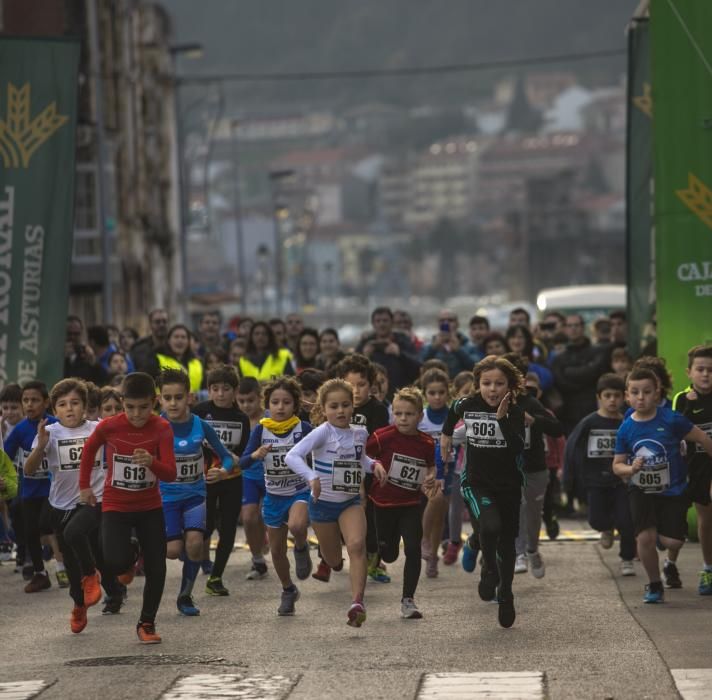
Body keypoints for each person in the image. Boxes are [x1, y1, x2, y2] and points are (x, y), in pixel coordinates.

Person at [79, 372, 177, 644]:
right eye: (130, 407)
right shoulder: (109, 426)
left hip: (149, 507)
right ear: (122, 402)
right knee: (114, 562)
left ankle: (146, 622)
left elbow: (170, 473)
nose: (136, 414)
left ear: (154, 402)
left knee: (157, 568)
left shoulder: (162, 428)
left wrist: (152, 463)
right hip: (116, 505)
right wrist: (84, 486)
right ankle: (132, 552)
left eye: (143, 407)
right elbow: (89, 450)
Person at [285, 378, 388, 627]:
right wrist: (311, 477)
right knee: (333, 560)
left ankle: (357, 603)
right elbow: (292, 456)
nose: (340, 411)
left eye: (345, 405)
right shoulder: (321, 432)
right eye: (334, 406)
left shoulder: (360, 433)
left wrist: (374, 465)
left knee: (356, 545)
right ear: (324, 409)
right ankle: (332, 561)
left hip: (350, 501)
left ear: (353, 407)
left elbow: (360, 458)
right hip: (322, 505)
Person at [24, 379, 117, 632]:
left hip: (92, 499)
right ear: (54, 410)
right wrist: (41, 447)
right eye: (63, 405)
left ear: (85, 406)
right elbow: (29, 470)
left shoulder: (98, 428)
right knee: (70, 563)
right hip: (60, 505)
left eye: (75, 403)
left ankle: (94, 576)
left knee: (78, 535)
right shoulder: (50, 433)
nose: (69, 409)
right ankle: (79, 604)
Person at [613, 367, 712, 603]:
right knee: (644, 539)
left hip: (673, 490)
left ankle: (658, 535)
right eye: (635, 392)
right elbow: (616, 465)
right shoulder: (626, 427)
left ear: (657, 393)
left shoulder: (671, 419)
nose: (641, 397)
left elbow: (702, 437)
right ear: (627, 396)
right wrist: (631, 469)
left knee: (673, 541)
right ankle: (655, 585)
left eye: (646, 392)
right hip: (641, 489)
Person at [441, 356, 526, 629]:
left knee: (506, 542)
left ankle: (506, 594)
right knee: (490, 526)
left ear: (509, 386)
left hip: (509, 486)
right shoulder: (468, 404)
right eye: (486, 383)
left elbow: (516, 448)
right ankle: (489, 568)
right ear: (477, 384)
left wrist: (501, 419)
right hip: (476, 481)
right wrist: (445, 438)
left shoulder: (515, 411)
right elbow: (452, 411)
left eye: (499, 384)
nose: (492, 389)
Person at [156, 369, 234, 615]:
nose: (173, 403)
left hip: (195, 496)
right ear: (160, 399)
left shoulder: (201, 425)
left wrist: (222, 472)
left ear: (189, 397)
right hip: (166, 497)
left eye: (178, 397)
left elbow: (226, 457)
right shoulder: (156, 425)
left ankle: (185, 597)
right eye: (167, 398)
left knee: (195, 545)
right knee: (172, 551)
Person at [239, 378, 313, 616]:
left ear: (295, 405)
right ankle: (288, 590)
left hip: (299, 491)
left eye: (286, 402)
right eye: (275, 402)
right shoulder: (261, 429)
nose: (280, 407)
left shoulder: (304, 429)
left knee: (297, 524)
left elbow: (321, 453)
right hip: (274, 496)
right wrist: (256, 455)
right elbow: (242, 461)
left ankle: (301, 546)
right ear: (267, 404)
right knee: (278, 551)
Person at [367, 386, 436, 619]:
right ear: (392, 413)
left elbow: (430, 466)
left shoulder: (426, 442)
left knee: (414, 548)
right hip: (383, 503)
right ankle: (381, 552)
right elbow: (362, 458)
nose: (403, 418)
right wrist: (374, 466)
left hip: (410, 503)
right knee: (389, 554)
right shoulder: (381, 437)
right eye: (398, 413)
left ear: (420, 416)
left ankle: (408, 600)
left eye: (409, 414)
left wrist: (430, 476)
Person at [565, 373, 634, 575]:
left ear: (624, 397)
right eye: (607, 395)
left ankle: (627, 558)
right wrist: (569, 478)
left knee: (626, 520)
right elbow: (572, 447)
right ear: (599, 397)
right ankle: (606, 528)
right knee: (595, 519)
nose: (612, 400)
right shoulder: (589, 422)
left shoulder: (628, 422)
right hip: (595, 481)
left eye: (617, 396)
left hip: (622, 481)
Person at [193, 365, 250, 596]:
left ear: (234, 391)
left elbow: (245, 452)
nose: (220, 394)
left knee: (227, 531)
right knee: (204, 527)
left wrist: (233, 463)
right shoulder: (199, 411)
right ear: (208, 390)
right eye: (214, 389)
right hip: (204, 479)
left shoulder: (241, 418)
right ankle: (197, 560)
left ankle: (216, 577)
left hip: (231, 479)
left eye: (225, 389)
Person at [334, 354, 390, 584]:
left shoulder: (377, 410)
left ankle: (374, 561)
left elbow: (378, 445)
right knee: (341, 516)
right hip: (340, 472)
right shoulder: (337, 407)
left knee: (371, 519)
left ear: (371, 385)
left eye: (361, 385)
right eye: (350, 385)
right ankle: (333, 556)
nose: (356, 391)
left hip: (369, 472)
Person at [4, 381, 60, 592]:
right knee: (30, 532)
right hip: (29, 490)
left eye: (35, 400)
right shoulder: (20, 430)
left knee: (47, 524)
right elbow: (6, 457)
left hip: (53, 488)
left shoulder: (56, 425)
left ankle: (68, 564)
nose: (29, 404)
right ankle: (40, 573)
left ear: (46, 402)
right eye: (25, 400)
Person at [510, 363, 564, 579]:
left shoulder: (530, 403)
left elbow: (557, 429)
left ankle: (532, 549)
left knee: (533, 513)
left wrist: (534, 421)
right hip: (508, 468)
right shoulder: (491, 403)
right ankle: (519, 552)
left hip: (535, 468)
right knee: (518, 508)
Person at [672, 344, 712, 595]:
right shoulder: (682, 399)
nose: (706, 374)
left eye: (710, 370)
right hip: (697, 467)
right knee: (706, 520)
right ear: (689, 372)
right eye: (700, 369)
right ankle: (708, 568)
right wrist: (688, 408)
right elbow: (677, 429)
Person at [418, 368, 454, 579]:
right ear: (425, 394)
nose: (437, 397)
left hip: (447, 471)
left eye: (441, 392)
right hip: (424, 470)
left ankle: (432, 557)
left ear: (448, 392)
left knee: (440, 512)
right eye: (432, 392)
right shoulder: (420, 416)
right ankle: (424, 540)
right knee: (430, 504)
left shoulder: (453, 415)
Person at [551, 314, 610, 435]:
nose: (573, 329)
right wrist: (586, 376)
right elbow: (560, 382)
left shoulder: (598, 352)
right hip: (568, 415)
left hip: (593, 410)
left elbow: (598, 375)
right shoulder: (559, 358)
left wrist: (569, 372)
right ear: (565, 329)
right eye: (570, 325)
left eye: (576, 325)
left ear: (583, 328)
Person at [235, 377, 269, 581]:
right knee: (248, 517)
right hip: (248, 476)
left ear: (260, 398)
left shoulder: (270, 418)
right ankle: (257, 560)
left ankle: (264, 537)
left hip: (270, 475)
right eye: (241, 401)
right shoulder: (238, 421)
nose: (246, 405)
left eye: (250, 400)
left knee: (268, 516)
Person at [356, 307, 420, 397]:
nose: (382, 324)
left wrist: (400, 354)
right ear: (373, 324)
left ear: (392, 322)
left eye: (385, 320)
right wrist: (364, 356)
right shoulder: (365, 343)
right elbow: (352, 372)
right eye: (378, 321)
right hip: (371, 396)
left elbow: (418, 367)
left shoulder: (403, 341)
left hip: (401, 395)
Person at [420, 310, 474, 379]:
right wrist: (433, 348)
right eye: (442, 321)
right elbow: (419, 365)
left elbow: (475, 367)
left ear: (457, 323)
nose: (446, 323)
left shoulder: (468, 345)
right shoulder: (428, 345)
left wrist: (459, 350)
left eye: (450, 320)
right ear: (438, 324)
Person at [155, 324, 204, 394]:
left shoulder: (197, 363)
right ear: (168, 340)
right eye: (176, 337)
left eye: (183, 337)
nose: (180, 340)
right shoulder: (156, 359)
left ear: (188, 341)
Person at [505, 325, 553, 392]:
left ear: (527, 339)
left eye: (520, 337)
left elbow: (547, 378)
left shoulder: (538, 357)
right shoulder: (502, 361)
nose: (516, 341)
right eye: (513, 337)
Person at [64, 316, 107, 385]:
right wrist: (64, 358)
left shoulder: (86, 353)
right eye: (69, 333)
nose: (72, 337)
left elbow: (103, 378)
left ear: (81, 333)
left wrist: (93, 362)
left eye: (76, 334)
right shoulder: (56, 353)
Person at [131, 309, 169, 375]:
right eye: (157, 322)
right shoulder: (138, 349)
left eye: (164, 321)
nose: (161, 325)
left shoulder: (175, 347)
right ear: (150, 324)